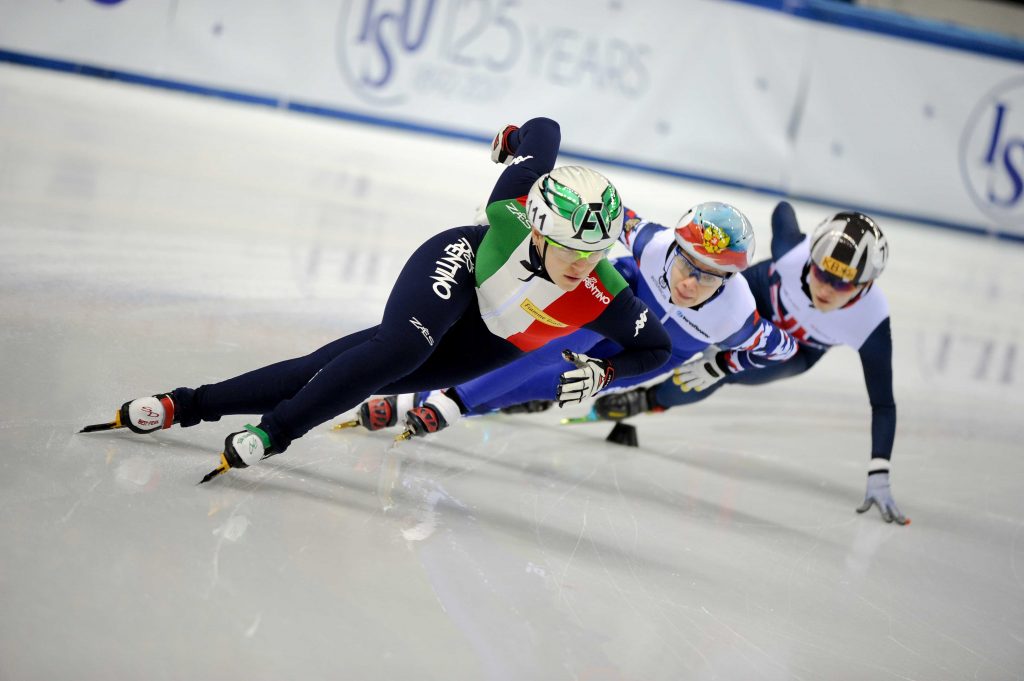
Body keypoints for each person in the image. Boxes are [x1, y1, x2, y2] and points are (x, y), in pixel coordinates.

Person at [80, 118, 672, 481]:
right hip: (460, 267)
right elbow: (546, 132)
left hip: (493, 340)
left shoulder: (604, 294)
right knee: (400, 349)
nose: (584, 267)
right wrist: (513, 140)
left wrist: (606, 371)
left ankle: (185, 404)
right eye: (572, 252)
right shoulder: (513, 205)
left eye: (596, 254)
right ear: (539, 230)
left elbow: (657, 347)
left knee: (328, 373)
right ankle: (275, 434)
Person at [344, 199, 798, 442]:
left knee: (553, 383)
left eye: (711, 275)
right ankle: (437, 401)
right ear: (674, 248)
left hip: (655, 350)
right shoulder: (652, 241)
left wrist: (724, 365)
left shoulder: (739, 318)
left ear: (731, 278)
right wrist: (517, 214)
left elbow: (785, 348)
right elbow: (593, 204)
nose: (691, 283)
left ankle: (445, 402)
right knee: (539, 342)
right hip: (621, 303)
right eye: (687, 264)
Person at [592, 201, 907, 525]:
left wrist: (879, 469)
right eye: (821, 272)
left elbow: (883, 402)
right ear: (811, 258)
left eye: (841, 283)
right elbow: (782, 210)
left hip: (797, 349)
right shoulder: (791, 251)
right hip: (756, 297)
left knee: (714, 374)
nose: (825, 288)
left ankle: (649, 400)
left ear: (866, 286)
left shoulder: (871, 321)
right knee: (678, 330)